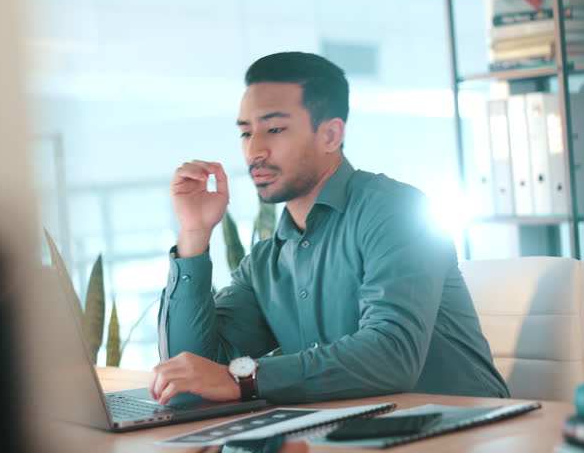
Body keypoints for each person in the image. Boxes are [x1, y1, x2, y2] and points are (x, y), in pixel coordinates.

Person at [149, 52, 509, 406]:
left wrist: (245, 379)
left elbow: (392, 355)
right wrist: (194, 235)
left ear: (330, 135)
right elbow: (190, 375)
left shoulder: (399, 212)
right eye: (245, 133)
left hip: (466, 432)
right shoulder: (266, 263)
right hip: (351, 435)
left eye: (274, 129)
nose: (254, 150)